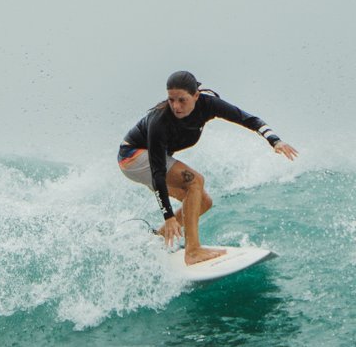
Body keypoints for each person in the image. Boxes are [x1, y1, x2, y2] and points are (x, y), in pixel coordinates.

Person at [118, 71, 298, 265]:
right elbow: (158, 174)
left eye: (182, 100)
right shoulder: (159, 121)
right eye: (171, 100)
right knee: (196, 181)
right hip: (133, 156)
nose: (176, 106)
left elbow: (248, 119)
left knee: (203, 201)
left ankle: (157, 239)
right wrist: (169, 216)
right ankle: (193, 251)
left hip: (149, 161)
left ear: (196, 96)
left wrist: (275, 141)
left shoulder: (208, 105)